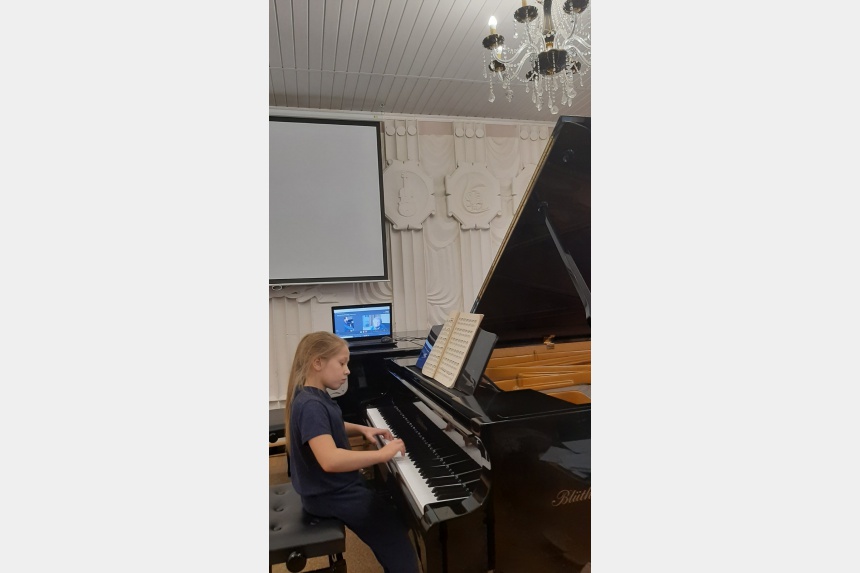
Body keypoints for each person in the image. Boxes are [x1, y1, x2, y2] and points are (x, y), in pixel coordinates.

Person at [285, 331, 420, 573]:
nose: (347, 371)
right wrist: (382, 455)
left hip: (330, 488)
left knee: (394, 506)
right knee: (398, 543)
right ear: (317, 363)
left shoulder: (311, 394)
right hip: (331, 495)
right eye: (342, 363)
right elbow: (330, 460)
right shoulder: (311, 405)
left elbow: (328, 425)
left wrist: (362, 429)